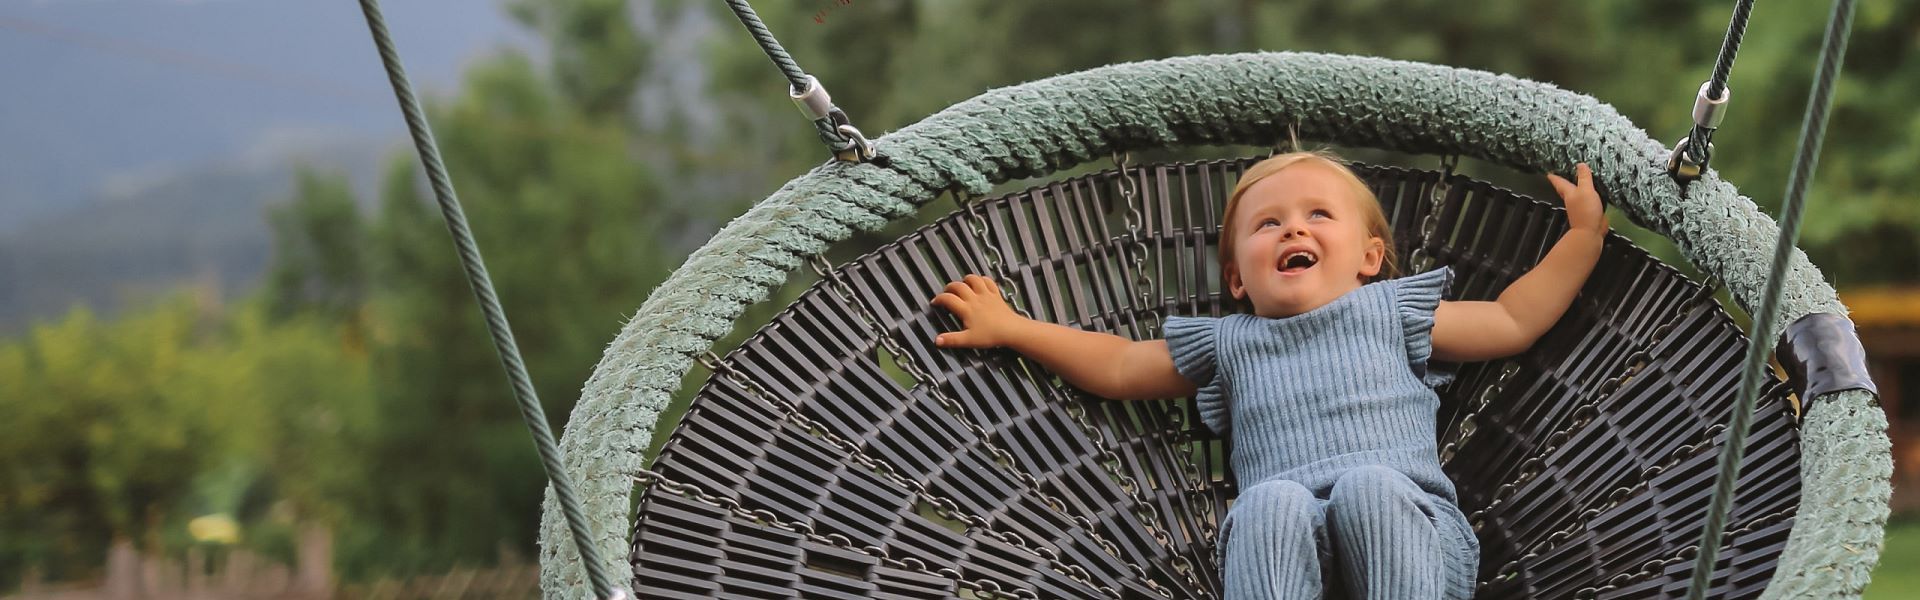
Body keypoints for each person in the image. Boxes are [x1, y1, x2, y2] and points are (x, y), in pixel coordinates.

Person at [928, 151, 1606, 599]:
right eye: (1268, 223)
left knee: (1371, 487)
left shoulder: (1391, 310)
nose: (1292, 230)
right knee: (1267, 504)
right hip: (1290, 562)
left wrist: (1582, 241)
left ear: (1370, 256)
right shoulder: (1229, 343)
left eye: (1317, 215)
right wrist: (1015, 328)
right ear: (1236, 278)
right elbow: (1118, 364)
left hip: (1415, 548)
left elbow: (1514, 319)